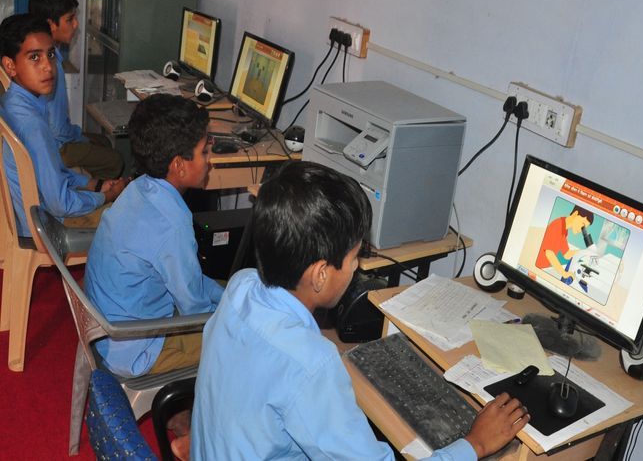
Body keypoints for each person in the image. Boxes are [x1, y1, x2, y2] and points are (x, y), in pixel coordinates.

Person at [191, 161, 529, 460]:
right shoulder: (311, 365)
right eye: (355, 257)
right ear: (320, 274)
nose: (357, 267)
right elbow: (306, 370)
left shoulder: (241, 285)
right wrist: (475, 444)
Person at [84, 94, 223, 379]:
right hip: (136, 348)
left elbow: (190, 282)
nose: (209, 161)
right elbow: (194, 308)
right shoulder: (173, 225)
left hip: (103, 327)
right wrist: (233, 309)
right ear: (179, 165)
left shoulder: (137, 188)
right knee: (240, 338)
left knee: (224, 292)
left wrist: (226, 293)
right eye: (204, 152)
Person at [0, 14, 125, 237]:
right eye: (34, 57)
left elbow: (51, 172)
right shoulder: (33, 126)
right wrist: (106, 196)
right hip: (45, 229)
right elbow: (61, 204)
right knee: (128, 220)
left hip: (26, 220)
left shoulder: (11, 103)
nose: (48, 67)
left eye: (50, 55)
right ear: (10, 66)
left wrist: (93, 184)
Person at [28, 0, 123, 179]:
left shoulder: (37, 55)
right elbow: (58, 131)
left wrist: (80, 137)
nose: (76, 24)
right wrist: (80, 138)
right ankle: (88, 188)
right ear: (51, 25)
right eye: (70, 19)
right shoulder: (50, 67)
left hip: (44, 139)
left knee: (103, 142)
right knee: (115, 161)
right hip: (53, 148)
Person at [535, 205, 594, 281]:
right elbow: (549, 253)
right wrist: (564, 273)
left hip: (540, 269)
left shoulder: (564, 230)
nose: (581, 230)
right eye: (583, 225)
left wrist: (584, 252)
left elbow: (566, 254)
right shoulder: (558, 225)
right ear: (575, 214)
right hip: (535, 269)